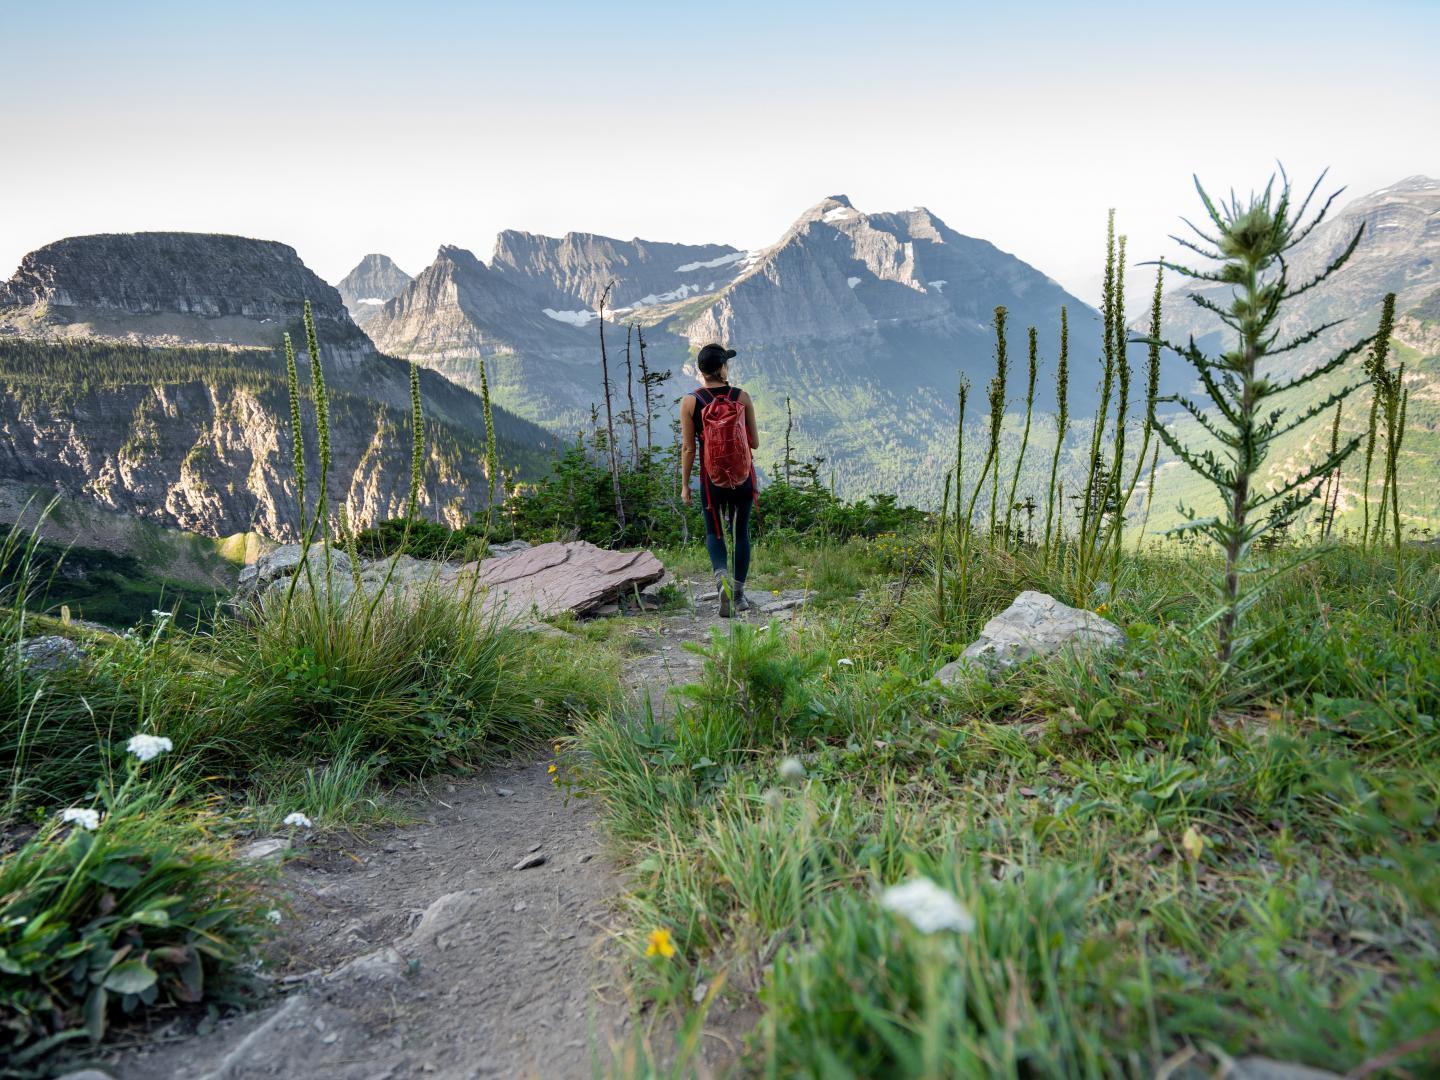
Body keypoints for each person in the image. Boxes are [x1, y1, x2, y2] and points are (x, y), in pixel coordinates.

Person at [680, 343, 759, 617]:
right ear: (721, 368)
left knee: (714, 531)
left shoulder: (691, 401)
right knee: (741, 532)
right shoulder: (742, 396)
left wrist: (684, 485)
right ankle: (738, 595)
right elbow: (755, 443)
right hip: (742, 477)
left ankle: (720, 579)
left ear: (702, 371)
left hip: (711, 480)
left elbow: (689, 448)